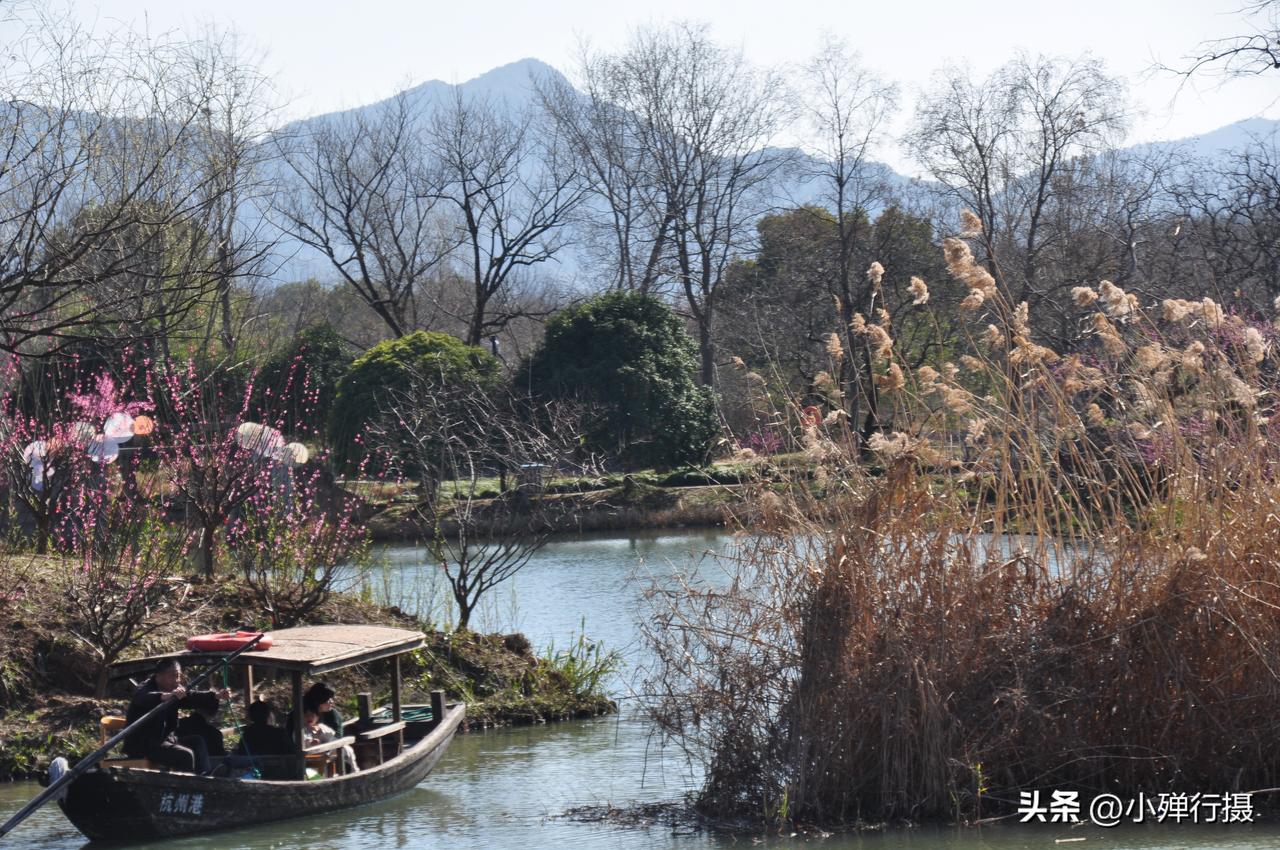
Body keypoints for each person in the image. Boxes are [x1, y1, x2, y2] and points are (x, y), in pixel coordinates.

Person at [124, 658, 230, 774]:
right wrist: (166, 696)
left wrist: (216, 695)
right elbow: (143, 698)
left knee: (196, 741)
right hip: (145, 744)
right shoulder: (145, 688)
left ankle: (204, 775)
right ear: (159, 676)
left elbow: (191, 697)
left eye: (178, 676)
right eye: (173, 676)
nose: (177, 681)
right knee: (185, 755)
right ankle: (184, 789)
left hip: (166, 740)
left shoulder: (173, 690)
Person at [303, 709, 357, 774]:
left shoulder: (322, 727)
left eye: (312, 715)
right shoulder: (301, 730)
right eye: (307, 715)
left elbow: (333, 739)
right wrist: (311, 742)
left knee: (347, 749)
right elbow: (303, 741)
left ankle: (354, 772)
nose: (309, 718)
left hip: (327, 753)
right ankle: (318, 780)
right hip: (310, 757)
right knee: (314, 773)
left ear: (317, 718)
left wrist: (322, 732)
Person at [176, 691, 226, 757]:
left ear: (196, 708)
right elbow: (220, 757)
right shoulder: (215, 734)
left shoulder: (178, 724)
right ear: (214, 713)